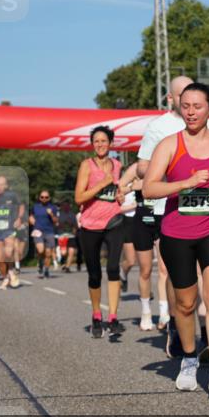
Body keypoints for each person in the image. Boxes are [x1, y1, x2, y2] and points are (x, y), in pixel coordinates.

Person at [143, 82, 209, 394]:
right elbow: (149, 189)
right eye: (186, 106)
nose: (191, 111)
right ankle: (188, 359)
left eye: (197, 106)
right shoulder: (169, 145)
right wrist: (185, 183)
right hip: (176, 232)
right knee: (185, 304)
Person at [136, 75, 209, 352]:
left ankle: (203, 328)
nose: (189, 102)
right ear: (171, 99)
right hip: (167, 205)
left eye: (193, 95)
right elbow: (143, 168)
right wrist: (170, 169)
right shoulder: (159, 127)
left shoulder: (207, 122)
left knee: (203, 270)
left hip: (202, 205)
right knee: (170, 270)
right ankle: (175, 323)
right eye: (183, 96)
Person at [75, 126, 126, 338]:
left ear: (111, 143)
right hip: (90, 224)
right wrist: (101, 185)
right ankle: (97, 315)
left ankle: (113, 316)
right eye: (96, 141)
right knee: (94, 274)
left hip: (114, 221)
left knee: (113, 268)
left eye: (104, 141)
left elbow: (116, 189)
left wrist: (120, 195)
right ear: (92, 144)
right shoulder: (87, 166)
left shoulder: (117, 165)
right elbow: (79, 198)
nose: (100, 144)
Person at [118, 163, 166, 332]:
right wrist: (131, 187)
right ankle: (146, 313)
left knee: (164, 269)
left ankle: (164, 314)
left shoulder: (168, 159)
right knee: (145, 270)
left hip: (163, 217)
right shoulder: (138, 167)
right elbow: (120, 188)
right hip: (142, 219)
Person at [0, 175, 25, 290]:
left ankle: (11, 270)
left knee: (8, 253)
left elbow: (21, 206)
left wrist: (19, 218)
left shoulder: (12, 196)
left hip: (9, 229)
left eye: (3, 184)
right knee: (0, 259)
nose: (0, 186)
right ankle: (6, 276)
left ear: (6, 186)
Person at [117, 167, 138, 294]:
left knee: (146, 262)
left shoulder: (147, 183)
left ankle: (145, 289)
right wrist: (134, 205)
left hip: (143, 221)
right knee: (131, 260)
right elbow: (116, 209)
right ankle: (123, 274)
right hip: (127, 222)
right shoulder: (123, 188)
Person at [30, 190, 60, 279]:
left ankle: (46, 270)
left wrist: (51, 214)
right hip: (38, 231)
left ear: (49, 198)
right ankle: (40, 263)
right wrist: (32, 221)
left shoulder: (53, 207)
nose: (44, 199)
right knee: (40, 250)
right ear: (39, 198)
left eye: (46, 197)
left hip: (49, 231)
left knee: (48, 254)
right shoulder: (35, 207)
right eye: (42, 197)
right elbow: (30, 216)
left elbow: (56, 221)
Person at [57, 201, 80, 272]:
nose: (66, 207)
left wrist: (74, 230)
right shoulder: (59, 214)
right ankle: (62, 261)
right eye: (64, 206)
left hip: (71, 235)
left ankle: (67, 267)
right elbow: (57, 224)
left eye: (67, 205)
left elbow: (76, 226)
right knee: (64, 253)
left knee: (71, 251)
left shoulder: (72, 214)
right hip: (62, 235)